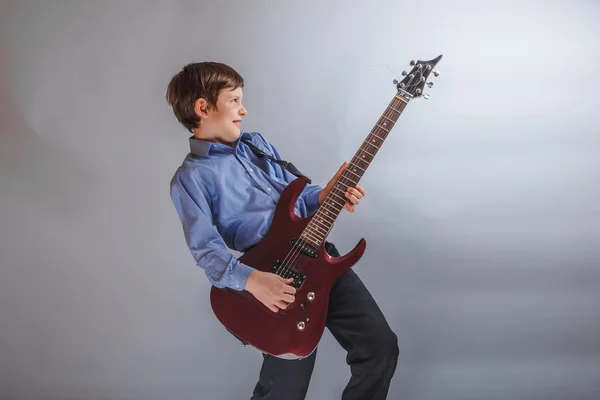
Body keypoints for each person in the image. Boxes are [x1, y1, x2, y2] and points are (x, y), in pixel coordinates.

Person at [167, 61, 399, 399]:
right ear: (202, 107)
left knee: (381, 348)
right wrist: (253, 281)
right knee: (286, 387)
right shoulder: (190, 178)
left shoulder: (257, 144)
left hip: (320, 259)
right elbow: (206, 251)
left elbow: (297, 198)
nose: (243, 109)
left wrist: (326, 194)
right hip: (270, 279)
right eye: (233, 100)